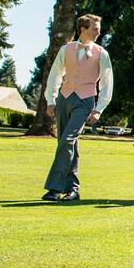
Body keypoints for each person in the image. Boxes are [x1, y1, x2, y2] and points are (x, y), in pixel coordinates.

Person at [41, 14, 113, 202]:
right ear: (83, 28)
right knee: (66, 143)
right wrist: (51, 99)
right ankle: (73, 189)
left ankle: (54, 188)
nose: (98, 32)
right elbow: (55, 75)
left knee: (67, 140)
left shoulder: (101, 53)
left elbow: (107, 84)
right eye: (95, 29)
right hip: (65, 98)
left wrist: (99, 109)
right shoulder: (66, 49)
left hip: (85, 101)